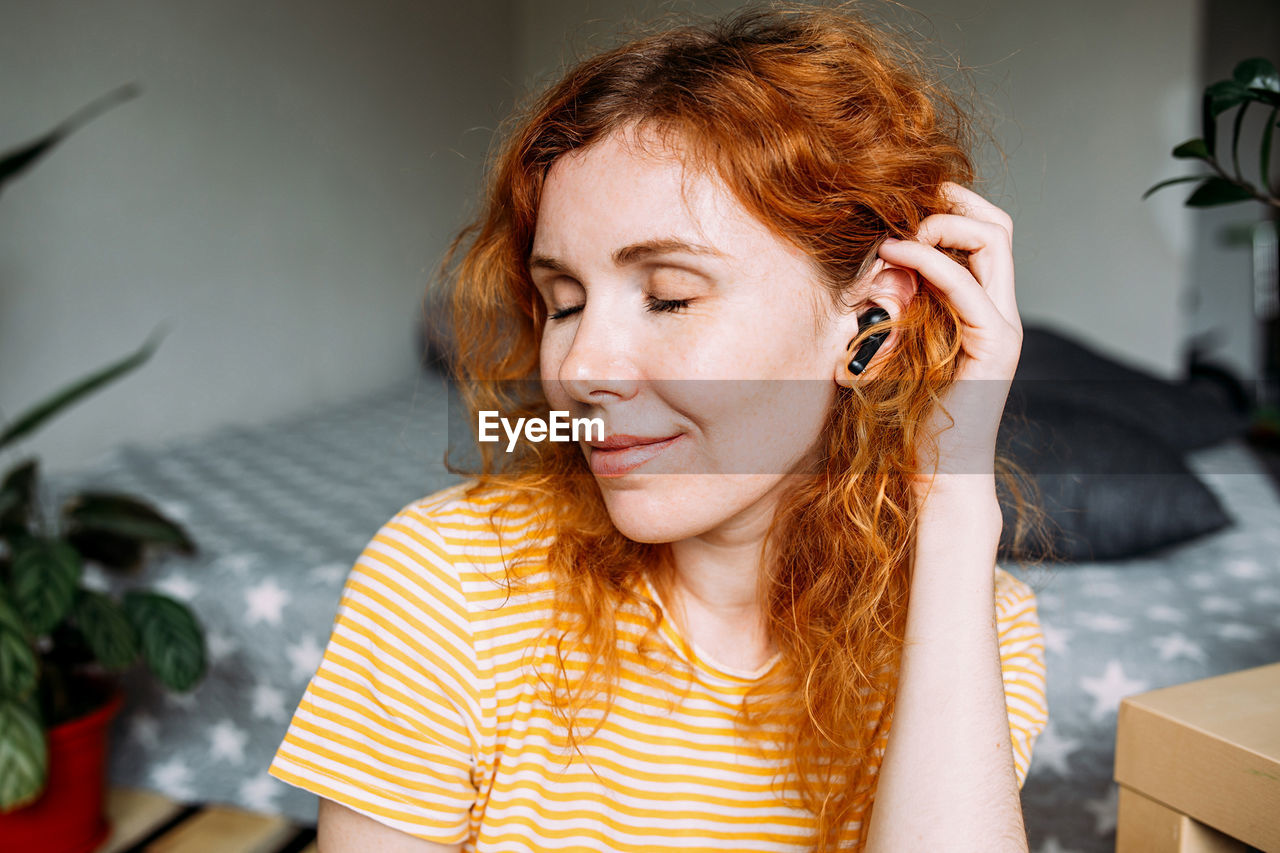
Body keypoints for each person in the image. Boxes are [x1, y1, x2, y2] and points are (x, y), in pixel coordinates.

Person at [269, 4, 1049, 851]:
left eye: (670, 296)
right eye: (563, 302)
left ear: (865, 322)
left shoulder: (971, 621)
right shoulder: (448, 582)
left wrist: (956, 502)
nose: (578, 367)